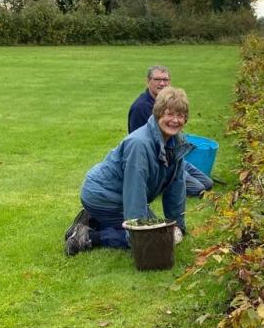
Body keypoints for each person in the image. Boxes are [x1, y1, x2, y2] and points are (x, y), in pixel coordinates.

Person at [65, 87, 191, 256]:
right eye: (169, 114)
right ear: (158, 113)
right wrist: (138, 237)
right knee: (152, 238)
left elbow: (177, 186)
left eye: (180, 115)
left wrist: (178, 226)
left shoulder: (177, 142)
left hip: (118, 194)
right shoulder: (138, 144)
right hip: (101, 194)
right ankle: (87, 235)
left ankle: (95, 220)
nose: (175, 120)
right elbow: (134, 190)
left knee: (163, 231)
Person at [128, 65, 213, 197]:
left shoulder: (170, 102)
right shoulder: (141, 107)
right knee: (198, 189)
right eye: (157, 79)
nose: (162, 83)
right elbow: (138, 142)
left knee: (208, 183)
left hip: (173, 157)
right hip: (158, 162)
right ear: (148, 81)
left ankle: (172, 179)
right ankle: (161, 183)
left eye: (166, 80)